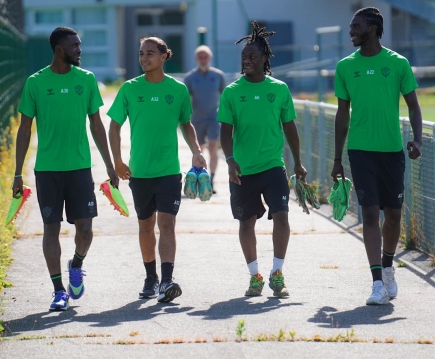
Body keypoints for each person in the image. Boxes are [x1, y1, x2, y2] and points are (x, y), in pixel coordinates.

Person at [12, 26, 118, 312]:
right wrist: (17, 173)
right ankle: (59, 290)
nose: (79, 50)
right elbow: (24, 130)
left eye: (79, 45)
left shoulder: (86, 79)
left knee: (85, 230)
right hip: (47, 170)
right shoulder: (35, 83)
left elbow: (97, 124)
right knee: (51, 228)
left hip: (80, 169)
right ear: (59, 49)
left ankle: (76, 265)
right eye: (74, 46)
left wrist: (110, 164)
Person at [330, 7, 423, 306]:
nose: (351, 31)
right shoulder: (345, 67)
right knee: (369, 214)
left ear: (373, 28)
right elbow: (342, 115)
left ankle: (387, 266)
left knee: (393, 216)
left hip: (392, 151)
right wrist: (336, 159)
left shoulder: (398, 64)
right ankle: (377, 283)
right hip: (360, 151)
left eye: (355, 26)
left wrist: (417, 140)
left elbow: (414, 106)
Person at [108, 37, 206, 303]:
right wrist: (117, 160)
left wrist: (196, 151)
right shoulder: (129, 89)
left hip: (168, 171)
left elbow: (186, 124)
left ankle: (167, 280)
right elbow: (114, 126)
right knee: (146, 226)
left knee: (168, 223)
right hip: (139, 172)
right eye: (141, 54)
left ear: (164, 56)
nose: (144, 58)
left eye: (150, 53)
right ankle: (150, 278)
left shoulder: (178, 89)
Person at [218, 21, 307, 298]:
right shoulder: (232, 92)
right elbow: (225, 131)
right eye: (244, 56)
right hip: (243, 170)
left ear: (264, 58)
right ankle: (255, 276)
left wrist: (298, 162)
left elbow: (290, 127)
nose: (247, 60)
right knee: (247, 223)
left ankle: (277, 273)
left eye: (252, 56)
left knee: (281, 215)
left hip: (273, 166)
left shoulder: (279, 89)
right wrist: (230, 160)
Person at [183, 46, 225, 192]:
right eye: (200, 57)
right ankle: (197, 178)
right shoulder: (190, 78)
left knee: (213, 148)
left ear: (209, 58)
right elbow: (184, 100)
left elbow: (225, 96)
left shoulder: (218, 76)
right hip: (196, 120)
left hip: (213, 118)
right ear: (196, 59)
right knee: (198, 151)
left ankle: (211, 180)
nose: (203, 60)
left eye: (205, 57)